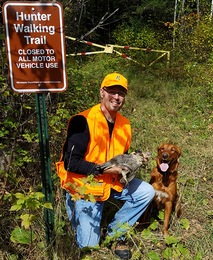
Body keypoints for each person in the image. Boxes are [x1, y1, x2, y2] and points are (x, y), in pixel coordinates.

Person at [56, 73, 155, 259]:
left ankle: (116, 233)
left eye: (121, 93)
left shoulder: (124, 124)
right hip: (86, 187)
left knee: (147, 191)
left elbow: (117, 155)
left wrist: (132, 159)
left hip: (111, 183)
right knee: (89, 248)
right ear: (102, 92)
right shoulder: (83, 120)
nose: (116, 97)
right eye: (112, 92)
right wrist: (109, 169)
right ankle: (75, 209)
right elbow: (71, 162)